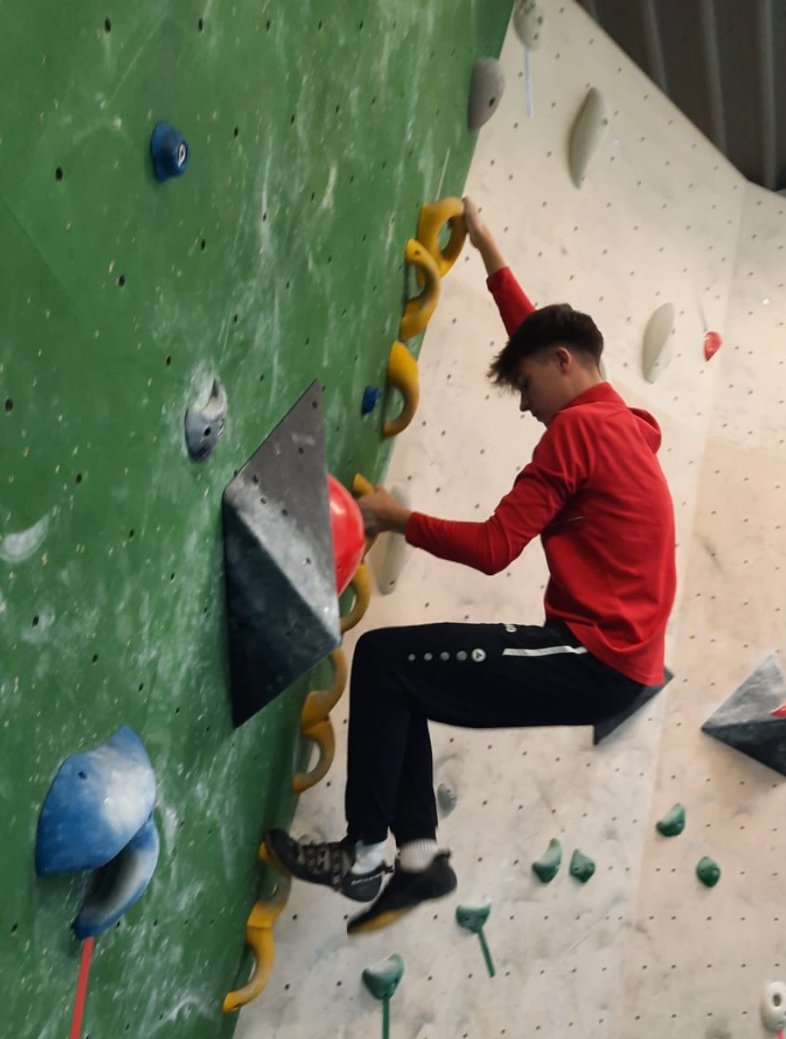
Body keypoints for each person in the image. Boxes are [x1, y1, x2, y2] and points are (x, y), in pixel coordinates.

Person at [266, 198, 677, 934]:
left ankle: (364, 856)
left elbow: (493, 549)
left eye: (525, 387)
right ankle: (419, 860)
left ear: (562, 364)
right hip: (613, 663)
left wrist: (391, 517)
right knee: (403, 676)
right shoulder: (623, 422)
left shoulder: (577, 434)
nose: (524, 406)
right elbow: (536, 335)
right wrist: (487, 248)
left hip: (595, 657)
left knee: (385, 662)